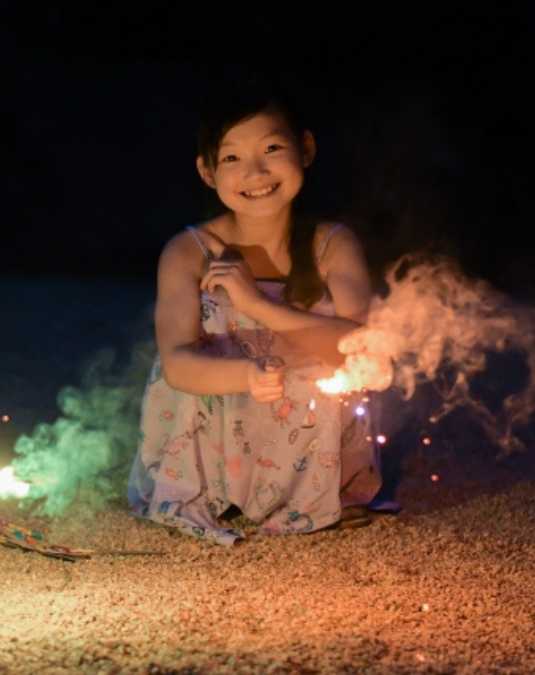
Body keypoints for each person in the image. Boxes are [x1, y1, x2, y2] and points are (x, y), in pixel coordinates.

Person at [128, 79, 381, 544]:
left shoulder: (333, 245)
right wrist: (245, 376)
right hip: (218, 427)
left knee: (322, 374)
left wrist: (255, 304)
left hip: (307, 430)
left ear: (305, 148)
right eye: (231, 158)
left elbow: (363, 355)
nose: (255, 171)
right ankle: (221, 494)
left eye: (271, 147)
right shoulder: (188, 251)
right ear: (207, 171)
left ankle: (314, 495)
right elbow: (177, 364)